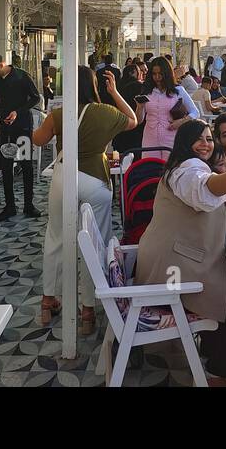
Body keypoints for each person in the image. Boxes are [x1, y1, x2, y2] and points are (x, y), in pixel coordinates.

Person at [134, 119, 226, 384]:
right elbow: (203, 189)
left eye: (210, 139)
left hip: (181, 261)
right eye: (199, 139)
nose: (205, 144)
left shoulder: (192, 167)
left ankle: (223, 362)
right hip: (174, 270)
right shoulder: (186, 169)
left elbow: (210, 186)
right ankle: (222, 371)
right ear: (183, 143)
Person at [32, 65, 137, 334]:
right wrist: (114, 92)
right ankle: (88, 309)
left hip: (63, 177)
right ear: (94, 85)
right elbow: (133, 120)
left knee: (56, 237)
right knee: (93, 242)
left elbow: (38, 140)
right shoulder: (106, 113)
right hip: (96, 180)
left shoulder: (59, 114)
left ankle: (48, 300)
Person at [0, 52, 42, 221]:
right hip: (6, 128)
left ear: (0, 65)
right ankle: (10, 206)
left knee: (26, 166)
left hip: (23, 126)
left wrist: (18, 112)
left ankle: (29, 205)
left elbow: (35, 98)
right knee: (6, 166)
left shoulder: (21, 76)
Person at [136, 55, 199, 154]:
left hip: (171, 138)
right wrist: (140, 107)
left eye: (160, 74)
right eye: (154, 74)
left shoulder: (178, 90)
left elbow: (195, 112)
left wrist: (181, 121)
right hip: (150, 138)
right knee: (150, 167)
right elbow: (139, 120)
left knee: (170, 168)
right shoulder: (147, 91)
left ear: (167, 74)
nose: (157, 77)